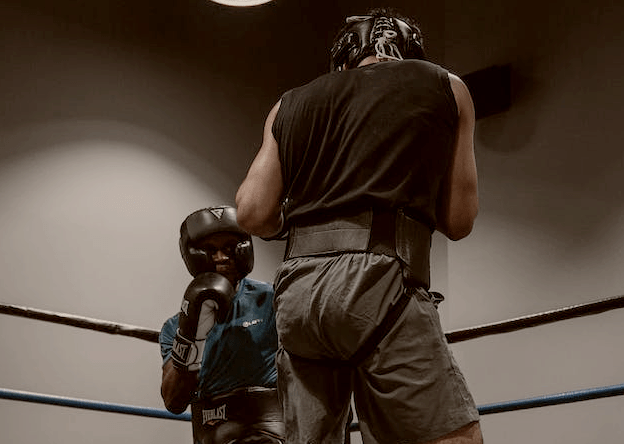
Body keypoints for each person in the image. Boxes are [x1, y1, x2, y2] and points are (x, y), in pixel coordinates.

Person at [235, 7, 483, 444]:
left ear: (343, 56)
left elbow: (252, 212)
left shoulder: (287, 104)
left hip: (297, 295)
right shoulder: (446, 85)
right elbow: (459, 221)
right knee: (452, 438)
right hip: (378, 283)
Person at [159, 205, 284, 444]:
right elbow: (173, 401)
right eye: (210, 250)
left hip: (272, 431)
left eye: (229, 248)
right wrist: (191, 336)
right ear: (194, 255)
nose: (221, 257)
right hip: (214, 432)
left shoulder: (272, 299)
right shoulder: (174, 326)